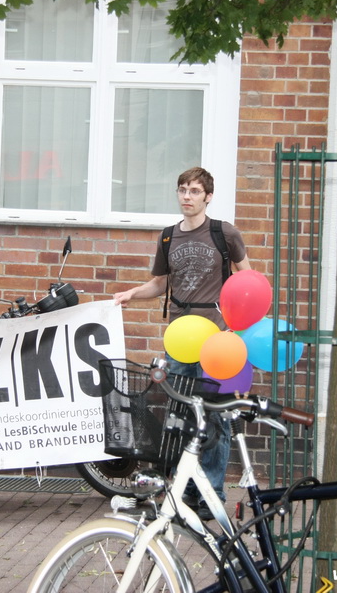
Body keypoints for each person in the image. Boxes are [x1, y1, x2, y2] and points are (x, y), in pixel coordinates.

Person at [114, 167, 251, 516]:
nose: (187, 196)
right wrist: (131, 294)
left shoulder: (224, 233)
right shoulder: (168, 237)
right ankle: (187, 489)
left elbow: (247, 282)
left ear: (208, 196)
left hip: (217, 338)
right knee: (181, 414)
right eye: (182, 190)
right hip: (179, 339)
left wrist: (236, 329)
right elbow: (160, 284)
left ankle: (212, 495)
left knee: (216, 416)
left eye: (194, 191)